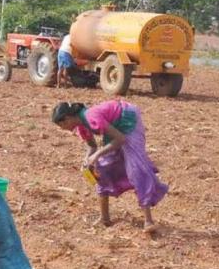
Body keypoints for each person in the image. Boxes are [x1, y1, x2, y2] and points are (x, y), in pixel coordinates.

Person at [52, 100, 168, 233]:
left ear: (66, 119)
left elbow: (120, 139)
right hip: (114, 130)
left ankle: (148, 221)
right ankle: (105, 218)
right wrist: (87, 159)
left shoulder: (91, 117)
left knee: (136, 169)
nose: (62, 129)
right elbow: (92, 146)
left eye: (61, 126)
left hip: (128, 120)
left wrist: (95, 156)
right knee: (101, 168)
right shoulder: (81, 125)